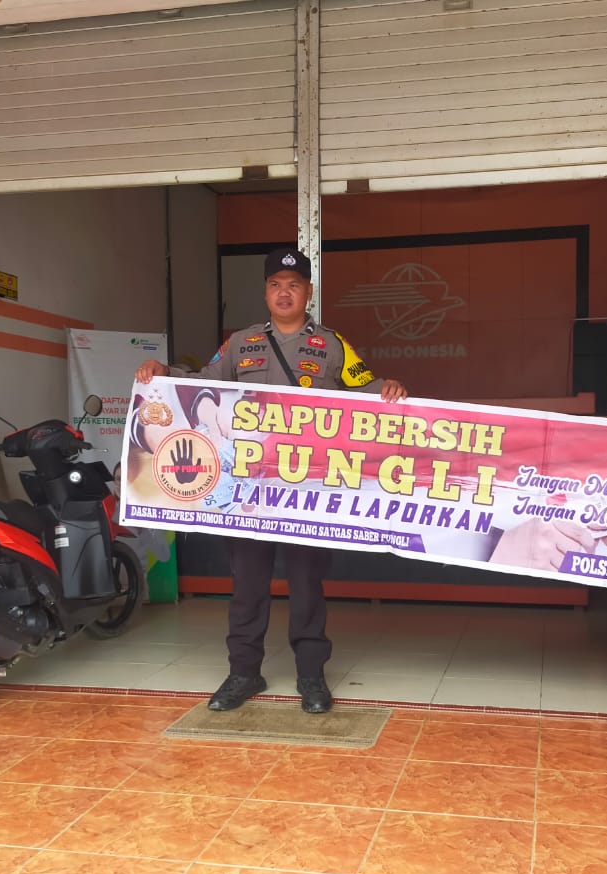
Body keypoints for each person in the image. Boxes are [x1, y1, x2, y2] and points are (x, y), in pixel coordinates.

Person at [135, 247, 407, 714]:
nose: (284, 293)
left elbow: (365, 391)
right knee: (247, 586)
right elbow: (203, 382)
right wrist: (163, 374)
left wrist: (389, 388)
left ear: (308, 292)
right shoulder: (240, 344)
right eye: (276, 284)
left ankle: (311, 676)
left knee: (307, 585)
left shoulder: (333, 345)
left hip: (306, 491)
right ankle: (244, 672)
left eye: (293, 285)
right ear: (265, 292)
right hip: (248, 489)